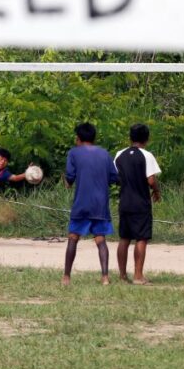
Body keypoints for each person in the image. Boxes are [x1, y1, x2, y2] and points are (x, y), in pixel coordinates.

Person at [63, 122, 119, 286]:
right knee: (100, 239)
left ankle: (66, 276)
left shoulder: (74, 153)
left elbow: (70, 178)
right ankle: (105, 277)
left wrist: (66, 181)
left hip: (82, 203)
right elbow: (114, 177)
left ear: (78, 138)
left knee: (73, 237)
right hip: (100, 204)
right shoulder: (105, 154)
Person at [114, 124, 162, 285]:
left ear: (130, 137)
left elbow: (115, 176)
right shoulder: (147, 156)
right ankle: (138, 275)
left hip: (124, 201)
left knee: (124, 238)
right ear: (146, 139)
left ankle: (122, 276)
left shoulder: (119, 155)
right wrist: (156, 191)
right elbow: (151, 179)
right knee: (141, 238)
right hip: (141, 202)